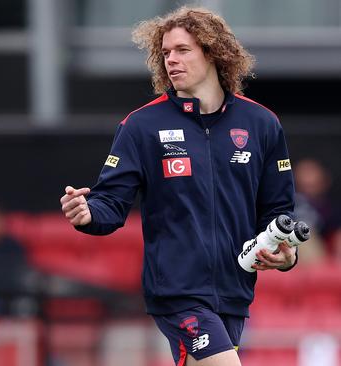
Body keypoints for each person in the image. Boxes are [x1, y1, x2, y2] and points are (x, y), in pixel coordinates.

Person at [60, 7, 297, 366]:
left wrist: (286, 254)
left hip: (235, 292)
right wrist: (87, 212)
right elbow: (111, 202)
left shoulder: (262, 123)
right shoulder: (141, 125)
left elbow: (278, 211)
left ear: (213, 52)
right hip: (177, 292)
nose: (171, 59)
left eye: (182, 50)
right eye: (165, 52)